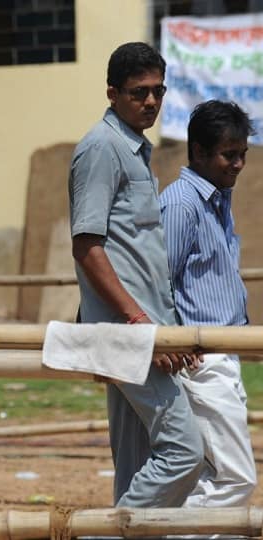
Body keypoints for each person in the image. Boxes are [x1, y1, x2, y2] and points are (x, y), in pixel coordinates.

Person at [68, 42, 204, 507]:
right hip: (129, 331)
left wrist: (163, 324)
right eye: (138, 92)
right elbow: (87, 246)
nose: (150, 101)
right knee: (185, 451)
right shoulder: (102, 148)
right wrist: (138, 322)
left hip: (141, 328)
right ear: (112, 93)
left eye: (157, 91)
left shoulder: (133, 150)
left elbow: (134, 253)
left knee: (137, 461)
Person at [160, 100, 257, 507]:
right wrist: (172, 339)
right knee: (237, 479)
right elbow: (158, 280)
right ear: (198, 151)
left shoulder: (217, 199)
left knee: (208, 478)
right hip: (200, 360)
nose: (238, 164)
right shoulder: (182, 204)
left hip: (222, 351)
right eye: (228, 155)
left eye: (242, 155)